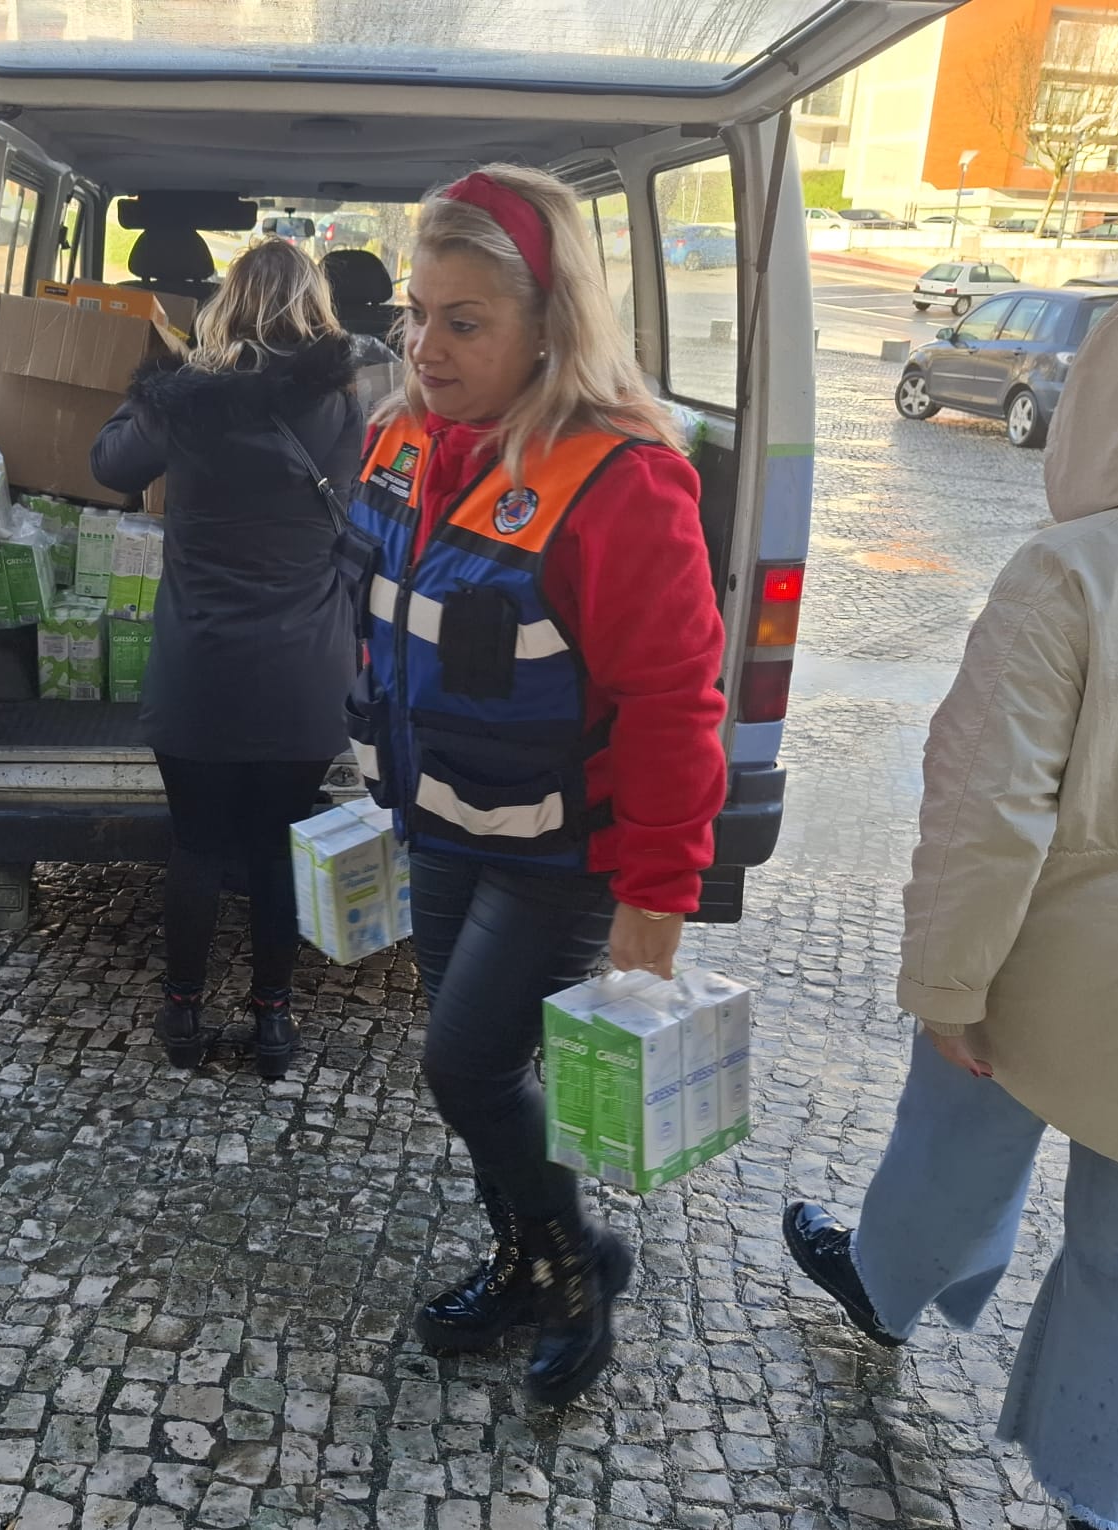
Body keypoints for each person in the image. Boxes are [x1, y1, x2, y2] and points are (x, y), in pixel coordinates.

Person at [783, 267, 1118, 1530]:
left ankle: (885, 1287)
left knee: (951, 1143)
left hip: (1050, 972)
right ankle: (1111, 1502)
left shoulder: (1071, 571)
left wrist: (946, 987)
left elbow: (987, 804)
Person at [344, 165, 727, 1404]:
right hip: (443, 816)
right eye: (417, 313)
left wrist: (655, 904)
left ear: (550, 326)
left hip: (565, 849)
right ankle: (521, 1258)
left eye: (465, 323)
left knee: (464, 1067)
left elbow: (675, 705)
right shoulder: (403, 439)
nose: (426, 348)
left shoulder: (624, 482)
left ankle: (576, 1270)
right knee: (483, 1071)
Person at [91, 240, 362, 1079]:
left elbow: (108, 465)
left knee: (199, 845)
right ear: (314, 307)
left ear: (226, 304)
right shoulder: (344, 402)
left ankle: (182, 1015)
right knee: (279, 845)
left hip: (199, 668)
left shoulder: (184, 401)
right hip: (304, 672)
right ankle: (273, 1024)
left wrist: (146, 389)